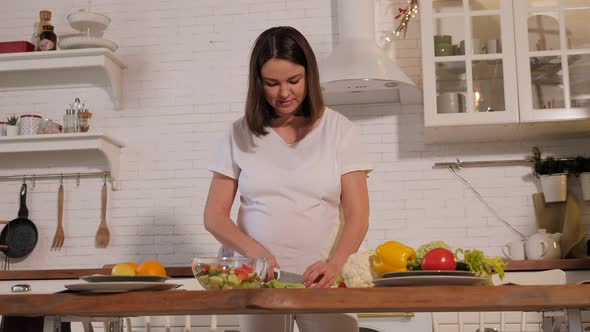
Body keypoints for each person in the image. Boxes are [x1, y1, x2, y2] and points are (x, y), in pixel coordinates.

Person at [204, 26, 372, 332]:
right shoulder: (238, 134)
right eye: (272, 83)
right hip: (258, 280)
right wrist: (255, 254)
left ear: (310, 75)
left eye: (294, 80)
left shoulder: (340, 130)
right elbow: (214, 216)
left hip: (325, 280)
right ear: (258, 84)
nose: (284, 93)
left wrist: (334, 265)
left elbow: (357, 214)